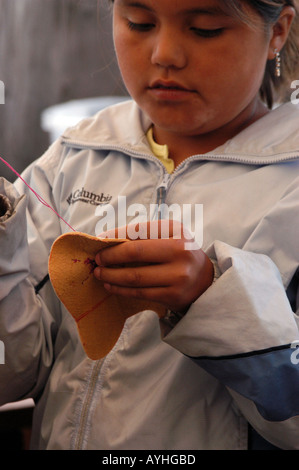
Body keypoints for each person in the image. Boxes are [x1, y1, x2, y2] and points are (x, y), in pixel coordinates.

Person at [0, 0, 299, 450]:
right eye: (139, 22)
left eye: (204, 29)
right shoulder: (76, 156)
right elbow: (14, 374)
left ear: (277, 30)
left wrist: (214, 296)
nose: (164, 54)